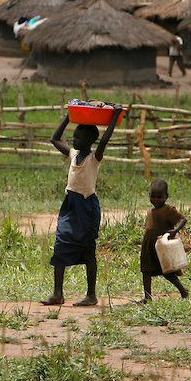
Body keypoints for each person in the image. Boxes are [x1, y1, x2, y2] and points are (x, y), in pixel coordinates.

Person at [43, 105, 123, 306]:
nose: (73, 140)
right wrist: (68, 117)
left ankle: (91, 295)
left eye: (78, 137)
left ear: (90, 141)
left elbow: (104, 141)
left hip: (86, 208)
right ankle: (57, 293)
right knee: (60, 245)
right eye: (74, 137)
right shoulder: (73, 154)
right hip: (70, 206)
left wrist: (114, 117)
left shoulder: (94, 158)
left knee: (88, 251)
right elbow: (54, 139)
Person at [140, 179, 189, 300]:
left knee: (167, 272)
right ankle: (147, 297)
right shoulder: (151, 211)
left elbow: (183, 219)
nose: (156, 200)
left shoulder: (168, 210)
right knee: (146, 271)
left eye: (159, 197)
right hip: (148, 245)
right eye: (153, 197)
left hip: (162, 246)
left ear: (166, 197)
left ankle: (183, 291)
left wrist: (175, 230)